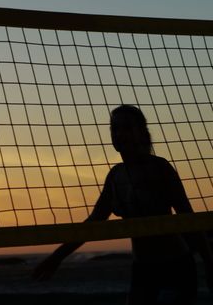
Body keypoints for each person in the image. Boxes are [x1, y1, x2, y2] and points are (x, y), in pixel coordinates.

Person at [32, 104, 213, 305]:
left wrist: (209, 262)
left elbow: (188, 218)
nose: (119, 133)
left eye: (126, 127)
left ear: (141, 133)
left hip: (175, 264)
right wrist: (57, 257)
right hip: (143, 268)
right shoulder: (115, 176)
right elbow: (93, 223)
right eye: (114, 128)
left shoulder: (159, 168)